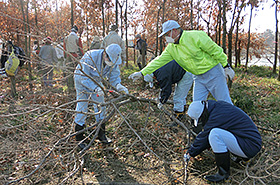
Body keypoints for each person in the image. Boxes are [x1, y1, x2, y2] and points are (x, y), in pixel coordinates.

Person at [129, 20, 235, 105]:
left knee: (224, 102)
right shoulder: (171, 48)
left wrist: (226, 66)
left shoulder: (195, 36)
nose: (166, 38)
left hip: (213, 73)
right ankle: (199, 128)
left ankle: (236, 127)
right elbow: (158, 61)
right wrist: (141, 73)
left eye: (167, 34)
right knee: (197, 106)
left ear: (174, 30)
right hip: (198, 77)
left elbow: (215, 50)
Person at [184, 100, 262, 183]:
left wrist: (190, 153)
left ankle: (223, 174)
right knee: (217, 133)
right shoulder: (217, 107)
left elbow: (204, 137)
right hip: (249, 141)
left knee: (215, 134)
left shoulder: (216, 117)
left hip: (250, 146)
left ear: (203, 114)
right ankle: (243, 158)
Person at [74, 44, 129, 149]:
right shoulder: (90, 56)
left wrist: (119, 86)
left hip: (97, 83)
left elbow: (114, 77)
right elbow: (82, 76)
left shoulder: (113, 61)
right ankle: (79, 137)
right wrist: (95, 88)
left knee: (101, 105)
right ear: (105, 53)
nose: (111, 63)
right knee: (82, 107)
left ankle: (101, 134)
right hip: (81, 81)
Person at [143, 60, 193, 124]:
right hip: (183, 69)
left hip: (186, 74)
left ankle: (178, 118)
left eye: (154, 80)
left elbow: (167, 90)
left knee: (178, 97)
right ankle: (182, 113)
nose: (155, 81)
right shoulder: (157, 67)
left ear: (153, 76)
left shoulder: (161, 75)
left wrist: (161, 101)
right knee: (181, 96)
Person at [64, 25, 84, 91]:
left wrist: (65, 57)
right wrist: (83, 57)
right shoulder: (77, 38)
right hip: (76, 57)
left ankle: (70, 87)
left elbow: (64, 48)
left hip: (68, 56)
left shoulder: (66, 38)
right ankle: (77, 87)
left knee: (69, 72)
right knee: (77, 72)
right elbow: (81, 49)